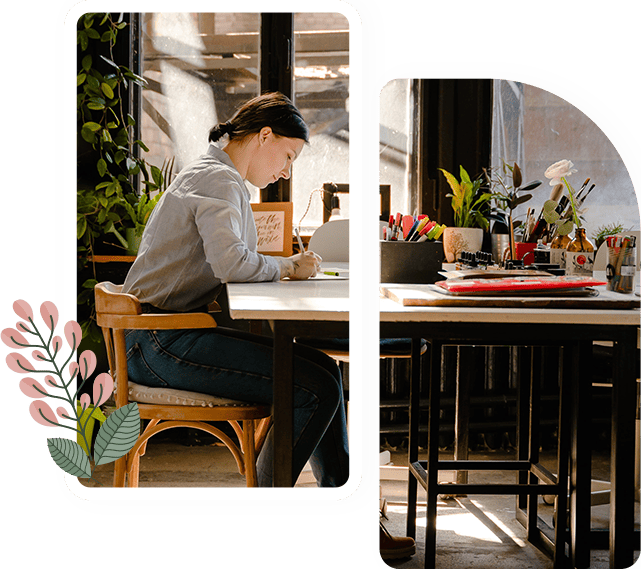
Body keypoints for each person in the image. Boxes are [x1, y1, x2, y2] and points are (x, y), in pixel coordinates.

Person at [121, 92, 349, 487]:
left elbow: (231, 259)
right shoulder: (218, 179)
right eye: (289, 156)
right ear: (264, 136)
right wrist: (289, 266)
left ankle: (338, 497)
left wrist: (283, 267)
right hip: (159, 343)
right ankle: (268, 504)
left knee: (325, 371)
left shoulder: (214, 174)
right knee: (315, 388)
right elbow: (231, 264)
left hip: (162, 335)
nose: (286, 172)